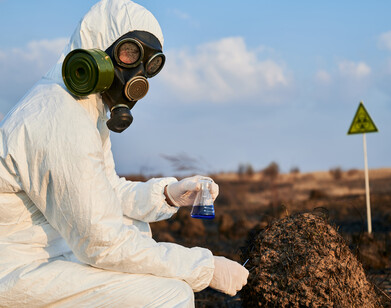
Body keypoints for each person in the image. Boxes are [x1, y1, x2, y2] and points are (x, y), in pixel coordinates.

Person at [0, 0, 248, 307]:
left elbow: (104, 190)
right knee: (170, 295)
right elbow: (101, 242)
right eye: (130, 54)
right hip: (17, 273)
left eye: (149, 64)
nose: (137, 74)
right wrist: (205, 268)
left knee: (136, 226)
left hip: (49, 254)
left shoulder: (83, 108)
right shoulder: (59, 116)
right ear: (95, 47)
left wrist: (167, 194)